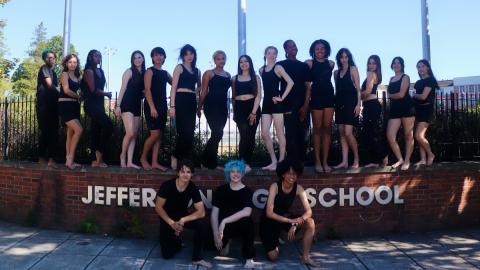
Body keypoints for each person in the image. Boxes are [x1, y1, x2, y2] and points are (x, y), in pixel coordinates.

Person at [259, 159, 319, 267]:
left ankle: (305, 257)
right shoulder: (275, 186)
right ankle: (276, 243)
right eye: (289, 173)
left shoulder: (298, 188)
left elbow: (309, 211)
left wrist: (296, 223)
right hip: (269, 222)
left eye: (295, 173)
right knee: (273, 257)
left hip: (285, 218)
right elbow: (269, 213)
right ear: (282, 174)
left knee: (310, 222)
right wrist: (290, 221)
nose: (292, 176)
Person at [155, 160, 212, 268]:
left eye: (188, 172)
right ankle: (177, 241)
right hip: (167, 219)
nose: (185, 174)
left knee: (201, 225)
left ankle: (197, 258)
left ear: (192, 174)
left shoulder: (192, 187)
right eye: (182, 171)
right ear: (178, 173)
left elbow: (202, 212)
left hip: (182, 217)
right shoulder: (167, 186)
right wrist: (172, 223)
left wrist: (183, 220)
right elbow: (158, 207)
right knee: (167, 255)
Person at [210, 160, 255, 269]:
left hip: (238, 225)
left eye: (238, 171)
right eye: (232, 172)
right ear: (228, 174)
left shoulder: (247, 191)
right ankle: (228, 240)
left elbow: (247, 211)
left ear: (243, 173)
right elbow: (214, 214)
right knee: (220, 253)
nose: (235, 174)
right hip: (224, 228)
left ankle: (249, 257)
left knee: (248, 222)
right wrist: (216, 235)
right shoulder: (221, 190)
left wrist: (225, 221)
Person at [259, 46, 294, 171]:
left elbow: (290, 82)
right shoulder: (261, 70)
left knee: (279, 133)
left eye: (274, 53)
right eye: (269, 53)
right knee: (264, 133)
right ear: (265, 54)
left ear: (276, 55)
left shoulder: (278, 67)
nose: (271, 55)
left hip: (277, 103)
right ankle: (273, 161)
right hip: (266, 103)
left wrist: (282, 98)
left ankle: (281, 162)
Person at [278, 40, 311, 165]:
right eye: (289, 46)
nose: (293, 48)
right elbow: (266, 73)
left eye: (294, 46)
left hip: (302, 105)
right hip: (286, 105)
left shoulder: (303, 66)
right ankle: (291, 163)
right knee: (290, 135)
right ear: (285, 50)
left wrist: (305, 106)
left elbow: (308, 87)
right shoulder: (280, 65)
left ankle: (301, 162)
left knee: (303, 135)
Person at [169, 44, 201, 170]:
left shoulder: (197, 71)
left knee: (190, 132)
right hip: (180, 99)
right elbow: (173, 88)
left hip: (191, 100)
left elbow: (200, 86)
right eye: (187, 54)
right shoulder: (179, 68)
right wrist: (172, 106)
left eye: (191, 53)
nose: (189, 56)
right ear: (183, 55)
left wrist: (196, 91)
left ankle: (185, 161)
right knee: (183, 132)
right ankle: (175, 156)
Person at [197, 50, 231, 170]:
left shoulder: (228, 75)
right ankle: (205, 161)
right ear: (214, 60)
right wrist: (199, 107)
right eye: (218, 58)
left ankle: (211, 163)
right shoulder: (209, 73)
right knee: (218, 132)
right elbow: (204, 91)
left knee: (217, 134)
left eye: (223, 58)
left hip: (223, 107)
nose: (221, 60)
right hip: (211, 106)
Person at [306, 39, 335, 173]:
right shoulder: (309, 63)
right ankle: (317, 161)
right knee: (317, 129)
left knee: (327, 129)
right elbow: (306, 82)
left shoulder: (331, 63)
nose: (320, 50)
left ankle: (325, 161)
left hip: (329, 96)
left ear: (326, 50)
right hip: (316, 97)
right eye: (317, 48)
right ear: (313, 50)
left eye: (322, 48)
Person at [140, 47, 171, 171]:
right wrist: (152, 107)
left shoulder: (165, 73)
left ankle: (154, 162)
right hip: (151, 106)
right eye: (156, 55)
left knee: (159, 136)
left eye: (161, 55)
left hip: (163, 106)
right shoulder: (149, 71)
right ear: (152, 58)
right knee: (154, 134)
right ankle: (143, 158)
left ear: (164, 57)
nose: (159, 57)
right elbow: (147, 90)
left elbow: (175, 84)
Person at [81, 50, 113, 167]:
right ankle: (99, 153)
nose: (98, 57)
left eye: (99, 56)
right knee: (109, 125)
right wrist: (106, 94)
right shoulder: (89, 71)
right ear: (90, 58)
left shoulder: (101, 71)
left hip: (99, 104)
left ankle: (96, 160)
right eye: (95, 55)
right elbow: (93, 90)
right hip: (91, 104)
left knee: (96, 130)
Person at [115, 50, 146, 169]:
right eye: (135, 58)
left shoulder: (145, 73)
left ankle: (130, 162)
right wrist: (118, 105)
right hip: (127, 103)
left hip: (137, 104)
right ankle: (122, 156)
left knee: (134, 135)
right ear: (132, 60)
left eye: (139, 57)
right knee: (130, 132)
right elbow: (122, 88)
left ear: (143, 58)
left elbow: (144, 90)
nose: (137, 59)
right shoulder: (129, 71)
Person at [231, 55, 262, 173]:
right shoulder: (234, 78)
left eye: (246, 61)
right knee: (244, 135)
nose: (243, 63)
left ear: (250, 63)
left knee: (250, 136)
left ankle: (247, 162)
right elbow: (233, 97)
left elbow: (259, 96)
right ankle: (241, 162)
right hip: (239, 108)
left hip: (252, 107)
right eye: (241, 62)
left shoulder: (256, 78)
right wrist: (234, 111)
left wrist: (254, 112)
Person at [333, 48, 361, 169]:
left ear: (349, 57)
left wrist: (359, 105)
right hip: (339, 104)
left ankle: (356, 158)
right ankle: (344, 161)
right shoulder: (336, 72)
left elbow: (358, 90)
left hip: (351, 103)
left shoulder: (353, 69)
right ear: (339, 58)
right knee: (342, 133)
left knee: (348, 132)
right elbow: (337, 90)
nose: (344, 59)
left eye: (346, 57)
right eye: (341, 57)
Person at [386, 57, 415, 170]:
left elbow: (401, 94)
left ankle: (407, 161)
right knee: (390, 136)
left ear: (402, 65)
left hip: (406, 107)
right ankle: (400, 159)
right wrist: (392, 95)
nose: (396, 64)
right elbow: (390, 94)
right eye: (394, 63)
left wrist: (391, 96)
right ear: (392, 65)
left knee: (408, 135)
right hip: (395, 109)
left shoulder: (405, 77)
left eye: (398, 63)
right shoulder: (391, 78)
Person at [361, 55, 388, 167]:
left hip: (371, 106)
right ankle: (374, 161)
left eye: (374, 63)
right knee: (369, 133)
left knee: (372, 133)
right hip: (370, 106)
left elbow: (367, 92)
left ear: (378, 65)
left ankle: (383, 157)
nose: (371, 65)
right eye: (369, 63)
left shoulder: (370, 74)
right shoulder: (374, 75)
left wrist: (356, 94)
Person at [58, 54, 83, 169]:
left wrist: (80, 96)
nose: (73, 64)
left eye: (75, 62)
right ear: (66, 63)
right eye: (70, 62)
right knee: (79, 129)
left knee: (70, 133)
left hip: (75, 106)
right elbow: (66, 90)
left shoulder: (78, 76)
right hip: (65, 105)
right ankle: (71, 158)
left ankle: (68, 161)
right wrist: (78, 97)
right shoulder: (64, 74)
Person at [36, 49, 59, 168]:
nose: (51, 59)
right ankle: (41, 157)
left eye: (53, 58)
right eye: (48, 57)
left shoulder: (54, 73)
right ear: (44, 59)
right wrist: (61, 92)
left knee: (54, 133)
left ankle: (51, 159)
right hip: (43, 106)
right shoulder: (44, 69)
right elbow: (50, 85)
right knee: (45, 132)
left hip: (53, 106)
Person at [413, 59, 438, 166]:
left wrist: (414, 95)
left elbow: (423, 96)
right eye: (418, 67)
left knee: (418, 135)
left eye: (422, 66)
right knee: (420, 136)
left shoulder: (430, 80)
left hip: (427, 111)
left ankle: (430, 154)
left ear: (427, 67)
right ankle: (423, 159)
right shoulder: (418, 82)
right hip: (418, 111)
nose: (421, 68)